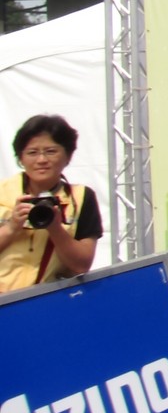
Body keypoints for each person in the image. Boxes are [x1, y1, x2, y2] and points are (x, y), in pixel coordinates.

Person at [2, 115, 102, 294]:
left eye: (50, 151)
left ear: (68, 156)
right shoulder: (3, 192)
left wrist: (55, 228)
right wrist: (11, 227)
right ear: (20, 158)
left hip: (46, 300)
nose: (41, 160)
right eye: (32, 152)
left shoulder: (81, 198)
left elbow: (81, 265)